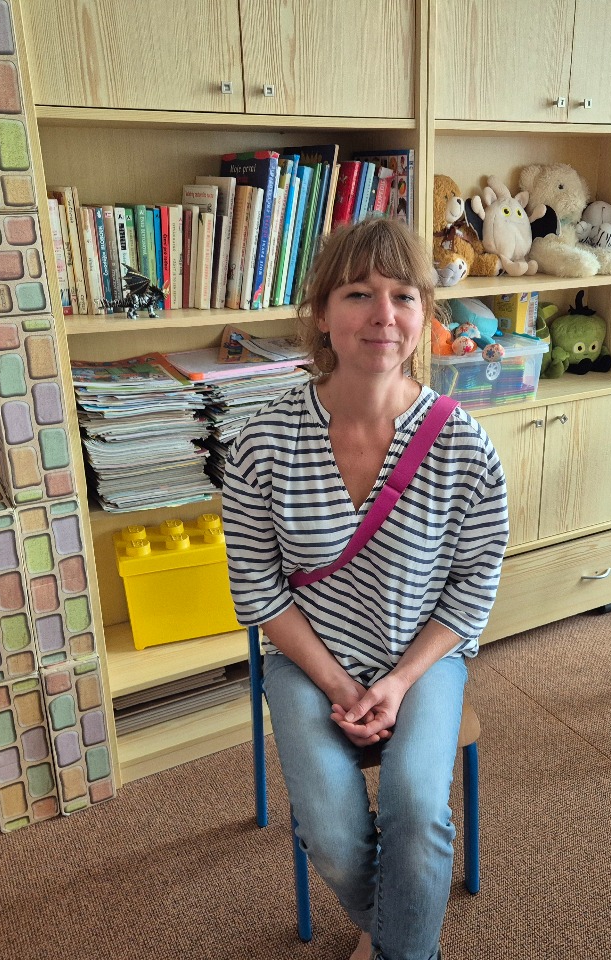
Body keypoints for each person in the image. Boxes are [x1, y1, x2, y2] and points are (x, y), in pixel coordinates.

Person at [222, 217, 509, 960]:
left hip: (424, 658)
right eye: (358, 293)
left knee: (416, 809)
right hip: (308, 660)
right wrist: (341, 685)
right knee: (329, 829)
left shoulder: (465, 445)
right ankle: (398, 930)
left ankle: (390, 946)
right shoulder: (261, 442)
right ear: (322, 314)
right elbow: (255, 589)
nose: (383, 314)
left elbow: (476, 581)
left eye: (403, 295)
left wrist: (401, 679)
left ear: (424, 315)